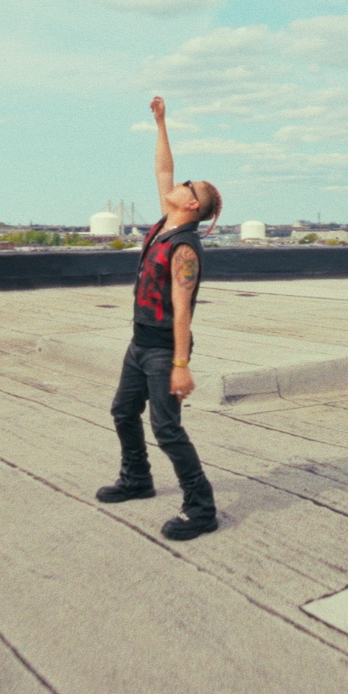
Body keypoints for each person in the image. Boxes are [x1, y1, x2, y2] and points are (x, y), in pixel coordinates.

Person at [96, 95, 223, 540]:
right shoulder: (164, 224)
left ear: (191, 206)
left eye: (189, 187)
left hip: (163, 349)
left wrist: (181, 366)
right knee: (122, 411)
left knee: (167, 429)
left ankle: (202, 508)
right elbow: (163, 171)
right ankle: (137, 479)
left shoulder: (183, 247)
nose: (179, 184)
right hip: (140, 343)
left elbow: (184, 310)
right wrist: (162, 124)